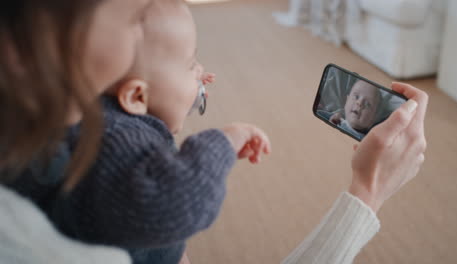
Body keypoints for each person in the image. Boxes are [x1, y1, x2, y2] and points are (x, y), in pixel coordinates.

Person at [0, 0, 428, 264]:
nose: (139, 28)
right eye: (133, 16)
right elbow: (171, 195)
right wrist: (369, 189)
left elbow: (140, 122)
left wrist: (177, 93)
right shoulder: (101, 145)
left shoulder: (60, 122)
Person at [10, 2, 271, 264]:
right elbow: (178, 203)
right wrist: (222, 143)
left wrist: (184, 92)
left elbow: (154, 110)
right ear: (135, 95)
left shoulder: (87, 106)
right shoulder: (112, 139)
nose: (199, 71)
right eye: (133, 21)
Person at [317, 80, 382, 140]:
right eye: (356, 97)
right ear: (347, 100)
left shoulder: (366, 141)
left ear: (373, 119)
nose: (359, 103)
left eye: (367, 104)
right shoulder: (336, 118)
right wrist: (331, 123)